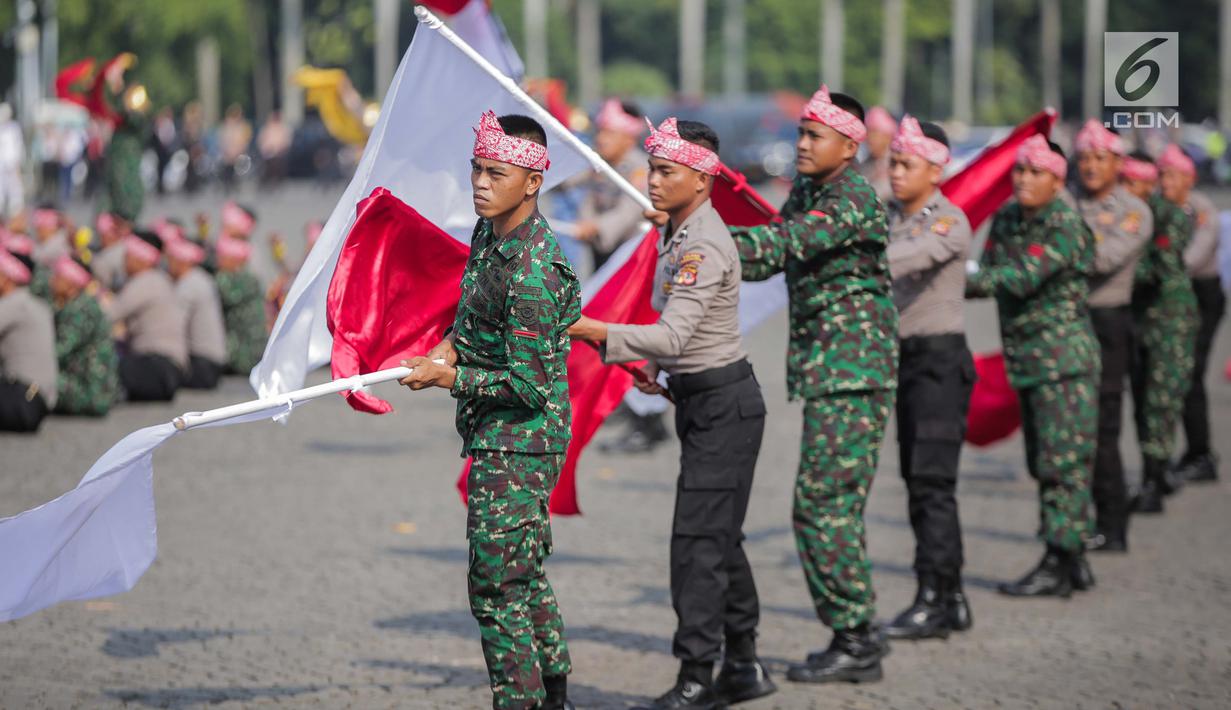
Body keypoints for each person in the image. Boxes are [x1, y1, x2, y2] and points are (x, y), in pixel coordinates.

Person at [569, 118, 775, 708]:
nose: (653, 181)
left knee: (695, 545)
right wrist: (656, 372)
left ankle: (696, 677)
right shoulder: (681, 232)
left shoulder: (703, 243)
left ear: (704, 180)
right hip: (704, 401)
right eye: (653, 169)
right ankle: (744, 665)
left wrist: (591, 329)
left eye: (666, 171)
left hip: (724, 406)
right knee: (720, 540)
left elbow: (676, 334)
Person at [398, 111, 580, 710]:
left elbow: (527, 387)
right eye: (476, 168)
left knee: (495, 587)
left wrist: (449, 376)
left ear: (531, 182)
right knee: (520, 571)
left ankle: (523, 700)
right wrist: (450, 343)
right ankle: (553, 690)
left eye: (494, 172)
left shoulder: (531, 271)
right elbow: (475, 316)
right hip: (501, 433)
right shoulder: (490, 233)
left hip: (520, 439)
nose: (479, 182)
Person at [730, 85, 898, 683]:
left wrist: (704, 236)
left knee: (824, 508)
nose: (800, 144)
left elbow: (786, 242)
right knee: (826, 506)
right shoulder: (809, 189)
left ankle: (856, 637)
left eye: (814, 136)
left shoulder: (851, 199)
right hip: (828, 367)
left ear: (849, 148)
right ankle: (858, 630)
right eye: (799, 132)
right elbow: (766, 257)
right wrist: (689, 232)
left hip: (854, 372)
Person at [966, 136, 1098, 597]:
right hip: (1026, 359)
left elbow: (1017, 277)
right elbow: (988, 267)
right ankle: (1074, 557)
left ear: (1058, 180)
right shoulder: (1007, 217)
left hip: (1063, 363)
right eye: (1019, 171)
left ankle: (1057, 561)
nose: (1023, 180)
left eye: (1035, 172)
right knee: (1044, 462)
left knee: (1062, 465)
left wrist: (952, 273)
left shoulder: (1064, 223)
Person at [880, 116, 976, 640]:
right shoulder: (889, 215)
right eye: (893, 162)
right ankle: (949, 596)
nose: (895, 173)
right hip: (909, 361)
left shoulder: (948, 221)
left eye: (906, 164)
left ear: (936, 171)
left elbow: (901, 259)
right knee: (918, 482)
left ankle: (935, 595)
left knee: (933, 484)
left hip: (938, 362)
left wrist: (852, 254)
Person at [1067, 120, 1152, 551]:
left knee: (1103, 428)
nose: (1091, 166)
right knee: (1065, 430)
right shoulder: (1066, 201)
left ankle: (1112, 524)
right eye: (1084, 158)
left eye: (1100, 158)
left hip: (1107, 324)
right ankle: (1071, 521)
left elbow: (1102, 258)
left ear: (1118, 163)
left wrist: (1055, 251)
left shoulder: (1133, 211)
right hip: (1067, 322)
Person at [1119, 147, 1197, 513]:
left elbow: (1162, 267)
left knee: (1160, 402)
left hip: (1169, 319)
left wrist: (1115, 272)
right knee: (1142, 400)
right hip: (1142, 318)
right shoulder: (1136, 213)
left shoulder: (1166, 214)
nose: (1126, 188)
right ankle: (1157, 473)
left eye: (1132, 182)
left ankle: (1153, 480)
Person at [1173, 149, 1225, 483]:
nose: (1166, 182)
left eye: (1172, 175)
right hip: (1177, 296)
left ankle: (1201, 454)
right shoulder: (1162, 208)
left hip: (1202, 295)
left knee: (1191, 373)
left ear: (1189, 178)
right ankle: (1193, 451)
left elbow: (1192, 257)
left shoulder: (1201, 208)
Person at [105, 231, 187, 401]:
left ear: (140, 259)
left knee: (102, 367)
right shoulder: (159, 279)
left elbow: (107, 315)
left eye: (128, 255)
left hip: (158, 368)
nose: (124, 261)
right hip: (168, 369)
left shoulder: (145, 282)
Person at [49, 255, 119, 416]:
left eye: (59, 276)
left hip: (91, 395)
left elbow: (58, 352)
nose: (53, 280)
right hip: (90, 388)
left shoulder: (80, 309)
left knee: (34, 379)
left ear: (72, 283)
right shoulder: (77, 304)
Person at [0, 247, 57, 431]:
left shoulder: (15, 304)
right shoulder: (35, 302)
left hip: (23, 399)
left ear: (7, 277)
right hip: (37, 401)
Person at [167, 237, 227, 389]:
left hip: (202, 365)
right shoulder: (202, 279)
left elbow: (174, 326)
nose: (168, 264)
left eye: (171, 258)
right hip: (214, 363)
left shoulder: (188, 285)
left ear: (182, 261)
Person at [214, 236, 266, 376]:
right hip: (254, 353)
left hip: (243, 353)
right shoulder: (250, 278)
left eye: (223, 257)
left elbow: (227, 298)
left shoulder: (239, 279)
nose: (219, 261)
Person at [857, 106, 897, 200]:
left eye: (874, 133)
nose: (869, 139)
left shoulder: (894, 163)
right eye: (868, 133)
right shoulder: (866, 162)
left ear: (887, 136)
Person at [0, 103, 26, 219]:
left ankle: (15, 213)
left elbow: (19, 147)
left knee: (15, 189)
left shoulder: (14, 128)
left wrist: (18, 163)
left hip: (12, 163)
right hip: (1, 164)